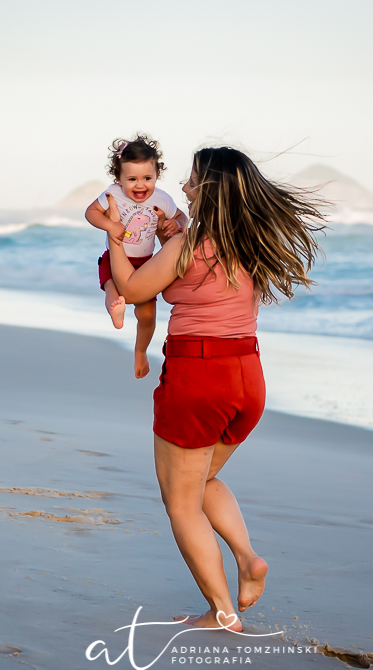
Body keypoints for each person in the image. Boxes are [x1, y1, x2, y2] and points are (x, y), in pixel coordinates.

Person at [103, 146, 325, 631]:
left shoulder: (187, 249)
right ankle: (247, 558)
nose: (183, 187)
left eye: (192, 180)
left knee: (179, 501)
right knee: (200, 481)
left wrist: (114, 236)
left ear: (211, 190)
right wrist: (172, 235)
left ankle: (223, 613)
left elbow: (135, 288)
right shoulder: (249, 245)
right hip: (247, 379)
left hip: (198, 378)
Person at [85, 134, 188, 379]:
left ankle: (140, 351)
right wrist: (109, 226)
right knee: (111, 285)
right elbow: (91, 212)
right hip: (115, 257)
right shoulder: (112, 194)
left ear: (156, 176)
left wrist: (175, 224)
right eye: (131, 179)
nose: (140, 185)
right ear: (119, 179)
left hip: (146, 263)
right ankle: (115, 309)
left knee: (147, 314)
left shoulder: (162, 198)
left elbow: (182, 217)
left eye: (147, 178)